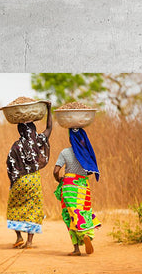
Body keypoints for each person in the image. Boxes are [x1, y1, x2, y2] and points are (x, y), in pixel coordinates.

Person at [6, 102, 52, 249]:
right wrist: (49, 109)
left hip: (19, 180)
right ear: (33, 129)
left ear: (19, 130)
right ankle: (30, 241)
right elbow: (49, 127)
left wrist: (13, 181)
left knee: (14, 207)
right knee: (33, 208)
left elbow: (10, 164)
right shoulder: (37, 141)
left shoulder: (16, 145)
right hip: (33, 180)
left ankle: (19, 236)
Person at [53, 127, 101, 256]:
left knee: (69, 215)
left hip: (69, 186)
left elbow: (56, 171)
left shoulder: (65, 152)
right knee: (84, 211)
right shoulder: (86, 153)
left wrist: (59, 180)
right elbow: (91, 170)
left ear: (70, 139)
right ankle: (87, 235)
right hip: (83, 186)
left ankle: (76, 249)